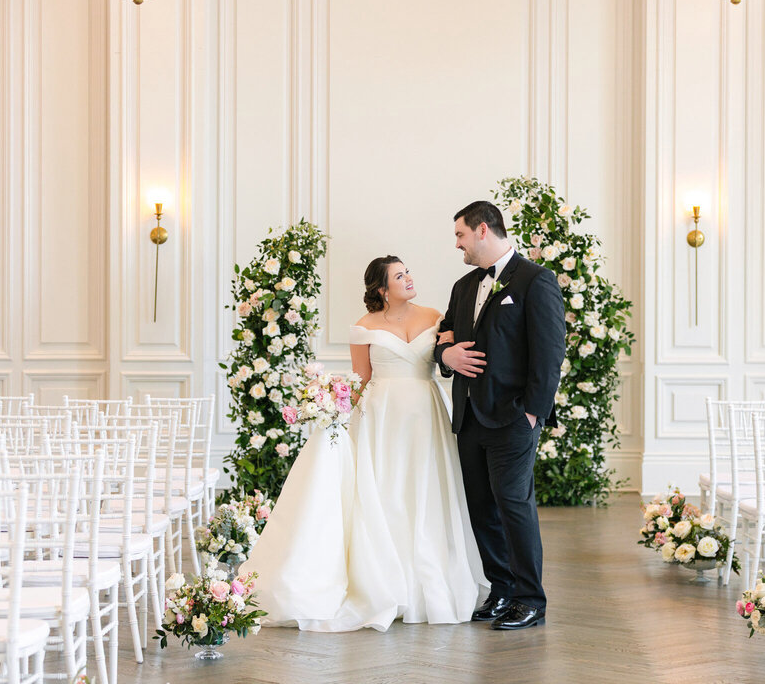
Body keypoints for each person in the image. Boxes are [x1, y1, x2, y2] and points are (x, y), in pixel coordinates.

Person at [242, 255, 487, 631]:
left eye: (408, 271)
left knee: (427, 490)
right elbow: (360, 379)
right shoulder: (364, 326)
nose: (408, 278)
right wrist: (331, 412)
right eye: (399, 276)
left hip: (427, 414)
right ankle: (388, 581)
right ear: (381, 290)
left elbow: (445, 360)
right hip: (381, 418)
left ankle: (431, 578)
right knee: (386, 493)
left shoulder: (436, 316)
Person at [434, 200, 565, 631]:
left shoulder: (535, 280)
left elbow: (549, 355)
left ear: (483, 230)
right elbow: (444, 339)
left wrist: (532, 413)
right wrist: (446, 355)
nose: (457, 245)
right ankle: (502, 590)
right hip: (469, 416)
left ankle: (531, 599)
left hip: (512, 417)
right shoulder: (461, 286)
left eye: (460, 236)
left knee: (514, 505)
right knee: (481, 507)